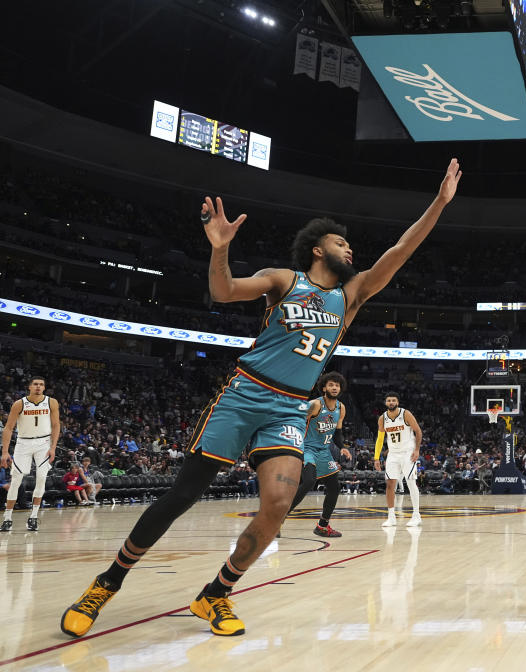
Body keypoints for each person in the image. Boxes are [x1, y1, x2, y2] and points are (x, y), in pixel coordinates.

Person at [60, 158, 462, 639]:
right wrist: (220, 249)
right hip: (245, 393)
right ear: (317, 249)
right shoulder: (284, 279)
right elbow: (224, 290)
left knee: (278, 501)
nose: (349, 247)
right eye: (340, 242)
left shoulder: (352, 295)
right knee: (184, 494)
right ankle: (107, 583)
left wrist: (439, 202)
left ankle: (216, 594)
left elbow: (400, 250)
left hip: (289, 407)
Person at [281, 372, 352, 538]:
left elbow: (337, 433)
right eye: (331, 385)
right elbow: (293, 419)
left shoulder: (341, 408)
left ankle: (322, 526)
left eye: (337, 385)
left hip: (324, 451)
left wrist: (343, 447)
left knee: (335, 487)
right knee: (309, 481)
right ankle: (278, 518)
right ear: (324, 387)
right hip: (306, 448)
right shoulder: (315, 405)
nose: (334, 387)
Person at [2, 376, 60, 532]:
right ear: (29, 387)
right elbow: (8, 428)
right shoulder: (19, 404)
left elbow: (56, 425)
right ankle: (7, 518)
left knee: (41, 478)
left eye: (41, 384)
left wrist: (53, 447)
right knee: (16, 480)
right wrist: (5, 452)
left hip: (43, 443)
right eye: (35, 384)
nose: (38, 387)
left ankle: (33, 517)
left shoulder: (51, 402)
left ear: (44, 387)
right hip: (23, 443)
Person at [374, 392, 423, 527]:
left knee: (411, 482)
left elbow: (418, 431)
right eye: (389, 400)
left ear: (397, 402)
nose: (391, 402)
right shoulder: (382, 419)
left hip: (408, 452)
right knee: (390, 484)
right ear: (385, 403)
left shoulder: (405, 414)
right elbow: (380, 439)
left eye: (393, 400)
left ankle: (416, 515)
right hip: (393, 454)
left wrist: (417, 450)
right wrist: (376, 457)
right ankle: (391, 517)